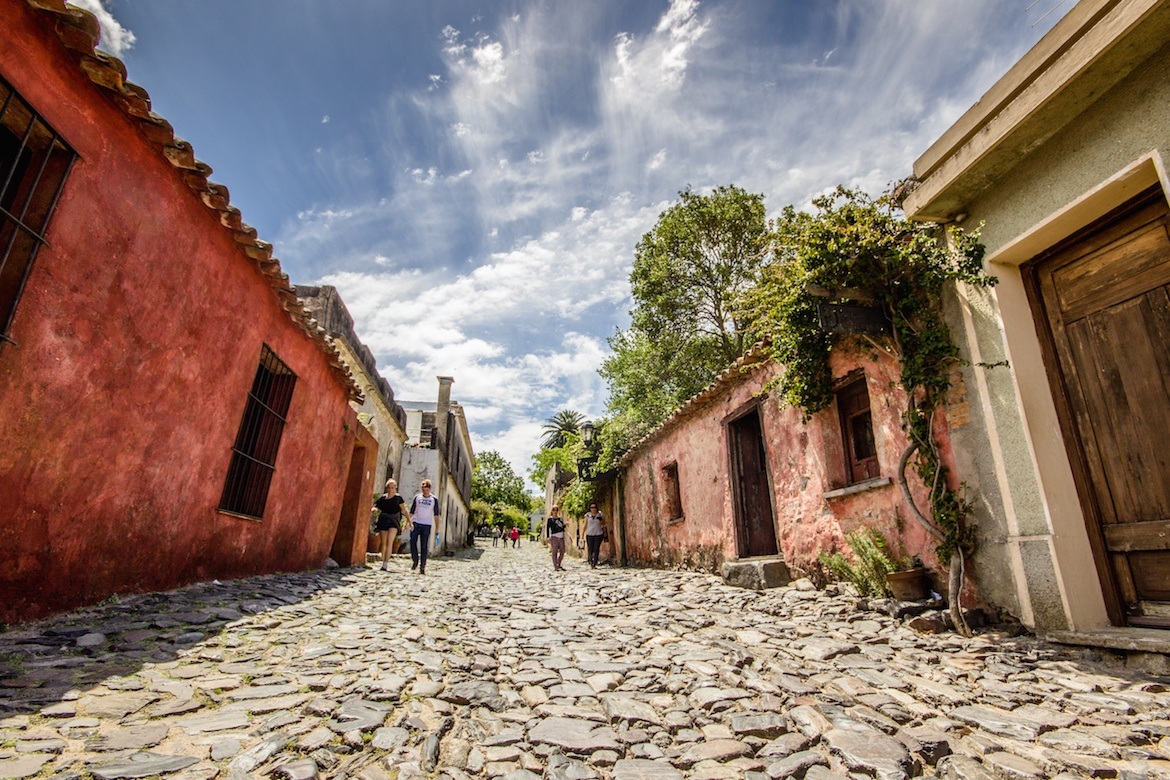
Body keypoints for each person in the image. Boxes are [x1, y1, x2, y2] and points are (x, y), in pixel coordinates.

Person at [372, 479, 409, 571]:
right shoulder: (382, 498)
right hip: (384, 519)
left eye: (392, 487)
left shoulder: (398, 498)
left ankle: (385, 564)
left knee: (390, 541)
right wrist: (374, 509)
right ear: (386, 488)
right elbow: (376, 506)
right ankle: (383, 559)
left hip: (394, 520)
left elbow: (404, 510)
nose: (390, 489)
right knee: (383, 542)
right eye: (389, 487)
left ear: (395, 488)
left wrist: (409, 521)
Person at [409, 479, 440, 575]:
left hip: (426, 524)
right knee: (412, 541)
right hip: (416, 522)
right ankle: (415, 560)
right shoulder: (417, 498)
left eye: (426, 490)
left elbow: (436, 515)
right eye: (423, 489)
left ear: (430, 489)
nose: (425, 491)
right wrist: (407, 523)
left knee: (424, 545)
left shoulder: (434, 500)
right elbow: (412, 512)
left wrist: (437, 528)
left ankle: (422, 566)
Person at [584, 502, 606, 568]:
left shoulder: (600, 515)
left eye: (594, 507)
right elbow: (585, 525)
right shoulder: (587, 515)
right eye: (592, 507)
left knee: (596, 548)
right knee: (590, 549)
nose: (593, 509)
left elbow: (603, 523)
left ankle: (595, 563)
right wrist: (582, 534)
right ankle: (591, 561)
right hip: (589, 534)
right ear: (590, 508)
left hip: (598, 534)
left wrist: (601, 521)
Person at [546, 506, 566, 571]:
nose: (555, 511)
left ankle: (558, 563)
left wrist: (565, 525)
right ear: (552, 511)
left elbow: (562, 527)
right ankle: (555, 565)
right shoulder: (550, 519)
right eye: (554, 510)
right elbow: (548, 528)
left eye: (556, 510)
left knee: (562, 551)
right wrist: (548, 537)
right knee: (554, 551)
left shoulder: (560, 519)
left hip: (561, 536)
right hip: (554, 536)